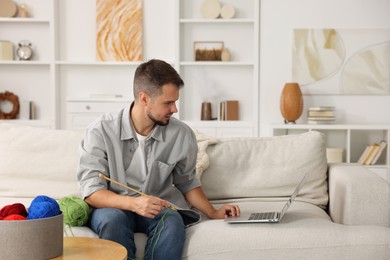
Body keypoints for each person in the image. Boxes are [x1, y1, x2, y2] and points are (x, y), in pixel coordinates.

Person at [77, 59, 240, 260]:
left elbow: (187, 182)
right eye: (168, 103)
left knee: (171, 220)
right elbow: (92, 191)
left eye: (175, 101)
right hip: (113, 207)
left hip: (158, 207)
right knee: (113, 220)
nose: (174, 109)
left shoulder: (181, 135)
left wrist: (213, 213)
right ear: (144, 98)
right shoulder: (100, 131)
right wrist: (134, 204)